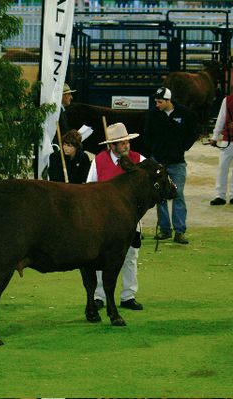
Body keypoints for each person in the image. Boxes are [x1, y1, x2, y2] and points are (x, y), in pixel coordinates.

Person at [85, 122, 144, 311]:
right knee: (100, 257)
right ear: (112, 146)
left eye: (127, 141)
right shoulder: (99, 161)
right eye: (122, 143)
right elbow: (89, 188)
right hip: (104, 220)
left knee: (130, 256)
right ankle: (99, 296)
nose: (126, 145)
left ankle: (128, 295)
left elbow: (147, 190)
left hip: (131, 219)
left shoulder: (139, 160)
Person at [143, 87, 198, 244]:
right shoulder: (153, 115)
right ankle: (165, 229)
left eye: (160, 102)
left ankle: (180, 231)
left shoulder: (184, 113)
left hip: (177, 162)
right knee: (160, 196)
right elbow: (147, 135)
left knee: (178, 194)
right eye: (156, 102)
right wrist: (154, 149)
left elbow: (192, 133)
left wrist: (182, 147)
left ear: (169, 101)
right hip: (158, 161)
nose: (157, 104)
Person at [209, 77, 233, 206]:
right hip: (227, 139)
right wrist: (215, 137)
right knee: (222, 168)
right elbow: (221, 119)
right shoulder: (227, 100)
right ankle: (220, 194)